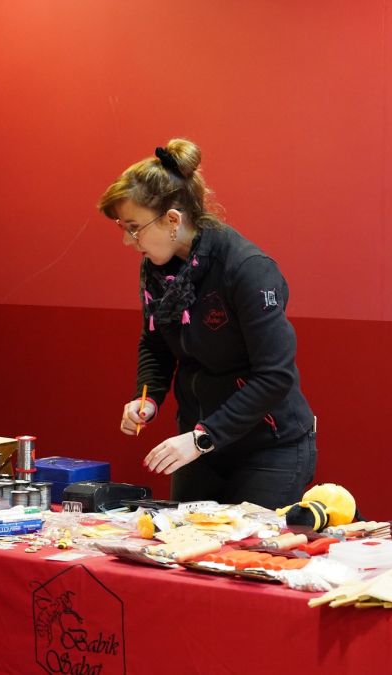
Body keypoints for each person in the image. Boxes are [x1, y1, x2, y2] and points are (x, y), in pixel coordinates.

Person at [98, 139, 316, 509]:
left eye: (133, 228)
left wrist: (202, 437)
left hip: (268, 449)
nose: (127, 241)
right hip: (201, 444)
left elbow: (274, 376)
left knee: (244, 546)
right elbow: (155, 343)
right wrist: (147, 397)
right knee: (180, 543)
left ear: (172, 220)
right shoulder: (156, 268)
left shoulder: (247, 269)